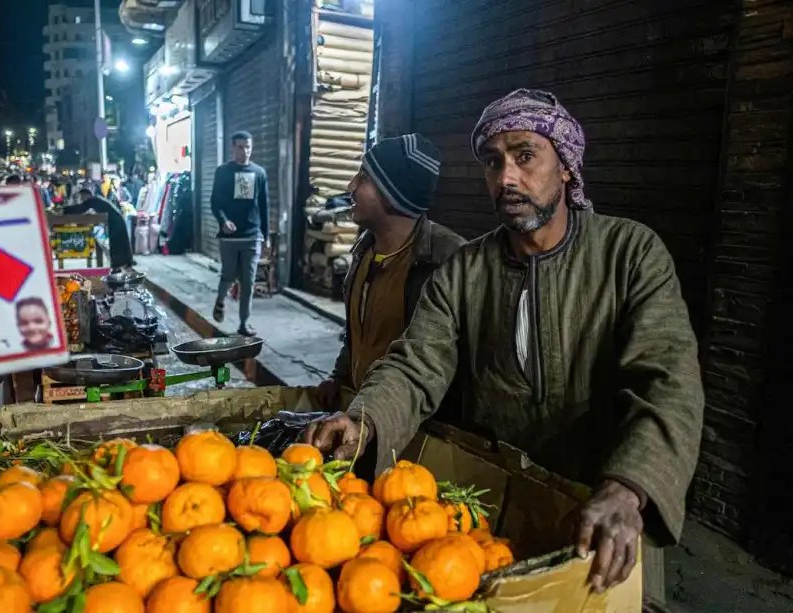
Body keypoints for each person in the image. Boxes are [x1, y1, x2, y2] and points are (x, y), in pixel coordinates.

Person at [304, 89, 704, 608]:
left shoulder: (630, 254)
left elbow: (668, 380)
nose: (506, 178)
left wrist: (629, 487)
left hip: (605, 514)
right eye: (493, 162)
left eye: (525, 156)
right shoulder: (464, 271)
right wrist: (366, 418)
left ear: (566, 167)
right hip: (501, 506)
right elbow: (416, 362)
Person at [316, 133, 465, 410]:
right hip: (362, 416)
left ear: (394, 194)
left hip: (417, 425)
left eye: (364, 178)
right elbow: (357, 334)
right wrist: (338, 377)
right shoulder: (364, 251)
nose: (351, 186)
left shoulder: (447, 261)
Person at [210, 130, 270, 337]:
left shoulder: (259, 173)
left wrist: (266, 236)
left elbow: (264, 206)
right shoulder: (223, 172)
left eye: (248, 147)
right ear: (232, 148)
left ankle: (244, 323)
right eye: (240, 147)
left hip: (252, 236)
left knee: (248, 281)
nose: (245, 151)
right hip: (229, 238)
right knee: (228, 275)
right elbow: (215, 203)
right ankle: (220, 300)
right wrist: (223, 221)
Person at [64, 188, 134, 270]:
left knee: (116, 243)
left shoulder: (92, 201)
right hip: (117, 220)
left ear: (87, 195)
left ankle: (118, 264)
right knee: (121, 242)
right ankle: (125, 262)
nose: (82, 199)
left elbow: (80, 208)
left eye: (82, 197)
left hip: (116, 221)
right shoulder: (96, 199)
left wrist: (64, 210)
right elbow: (82, 208)